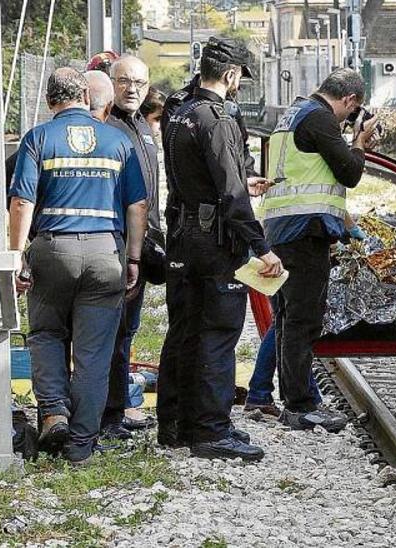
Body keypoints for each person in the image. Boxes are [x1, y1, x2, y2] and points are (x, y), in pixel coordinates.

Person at [8, 68, 148, 464]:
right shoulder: (118, 140)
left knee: (48, 334)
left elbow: (22, 202)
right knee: (94, 353)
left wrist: (17, 254)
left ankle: (54, 411)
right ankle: (81, 446)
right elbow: (138, 204)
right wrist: (133, 257)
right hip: (106, 251)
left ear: (51, 101)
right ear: (86, 96)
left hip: (53, 249)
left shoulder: (39, 139)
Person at [158, 38, 280, 461]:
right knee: (218, 332)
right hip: (215, 242)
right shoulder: (218, 119)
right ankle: (211, 430)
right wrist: (261, 247)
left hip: (181, 234)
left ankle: (175, 424)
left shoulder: (179, 115)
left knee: (184, 330)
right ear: (231, 75)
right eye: (240, 79)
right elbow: (231, 194)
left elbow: (199, 180)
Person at [263, 69, 374, 431]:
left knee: (286, 318)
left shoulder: (293, 113)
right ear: (350, 100)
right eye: (351, 112)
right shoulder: (321, 119)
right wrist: (360, 143)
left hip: (281, 228)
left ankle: (292, 399)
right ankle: (300, 404)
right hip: (304, 232)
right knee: (302, 320)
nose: (347, 119)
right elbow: (350, 173)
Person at [101, 55, 164, 439]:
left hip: (141, 240)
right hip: (115, 244)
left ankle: (117, 406)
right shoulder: (106, 125)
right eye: (124, 81)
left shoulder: (141, 124)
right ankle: (106, 415)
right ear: (112, 82)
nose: (132, 89)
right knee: (110, 331)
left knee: (126, 331)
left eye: (139, 83)